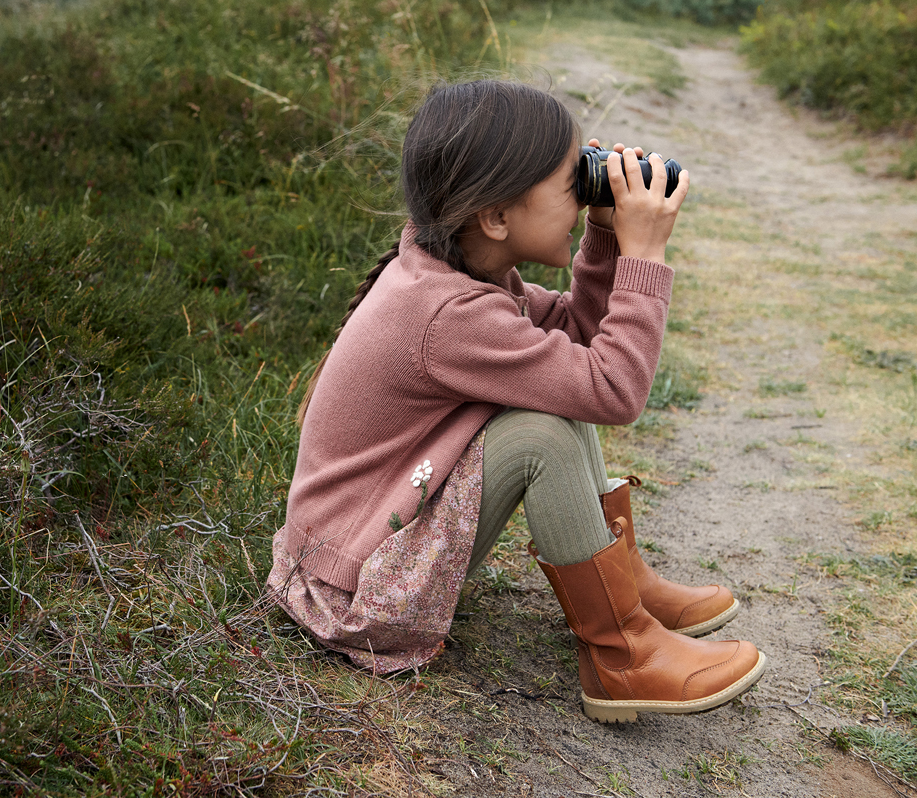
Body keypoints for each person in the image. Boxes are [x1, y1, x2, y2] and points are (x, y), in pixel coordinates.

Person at [267, 79, 766, 723]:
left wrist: (607, 236)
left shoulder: (455, 273)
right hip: (358, 590)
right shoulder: (446, 314)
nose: (582, 195)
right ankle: (622, 654)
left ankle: (623, 589)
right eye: (572, 186)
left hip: (360, 553)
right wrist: (646, 257)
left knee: (556, 393)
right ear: (496, 217)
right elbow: (614, 389)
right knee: (541, 433)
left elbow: (577, 347)